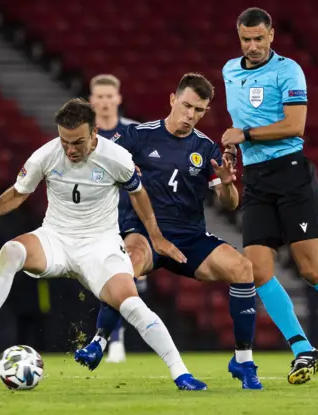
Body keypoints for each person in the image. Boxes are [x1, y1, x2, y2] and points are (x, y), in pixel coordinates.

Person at [0, 98, 206, 391]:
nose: (70, 149)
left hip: (99, 246)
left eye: (77, 142)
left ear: (94, 133)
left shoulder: (116, 158)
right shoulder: (46, 155)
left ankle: (181, 373)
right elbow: (19, 191)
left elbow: (139, 195)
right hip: (55, 238)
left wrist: (155, 236)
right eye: (64, 141)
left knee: (132, 305)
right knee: (11, 250)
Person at [75, 73, 263, 390]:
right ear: (173, 100)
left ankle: (243, 360)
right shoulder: (138, 135)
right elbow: (99, 163)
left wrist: (229, 185)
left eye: (199, 110)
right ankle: (99, 340)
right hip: (145, 231)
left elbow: (230, 204)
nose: (190, 115)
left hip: (189, 237)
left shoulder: (205, 148)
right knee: (129, 263)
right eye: (187, 106)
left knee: (243, 268)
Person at [221, 7, 318, 385]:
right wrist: (233, 150)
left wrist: (246, 136)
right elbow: (240, 123)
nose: (253, 46)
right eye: (246, 39)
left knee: (309, 269)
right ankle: (302, 348)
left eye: (259, 38)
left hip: (291, 176)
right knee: (257, 272)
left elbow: (295, 125)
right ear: (239, 38)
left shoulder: (288, 70)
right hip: (257, 180)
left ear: (272, 35)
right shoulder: (229, 71)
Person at [88, 74, 142, 363]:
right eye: (100, 97)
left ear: (118, 99)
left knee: (125, 278)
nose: (106, 102)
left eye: (110, 96)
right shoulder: (83, 135)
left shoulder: (133, 133)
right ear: (91, 100)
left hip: (129, 220)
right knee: (105, 281)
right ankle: (113, 338)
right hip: (97, 221)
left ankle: (115, 339)